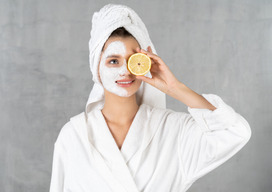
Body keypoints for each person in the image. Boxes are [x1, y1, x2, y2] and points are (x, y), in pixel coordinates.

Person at [49, 4, 251, 192]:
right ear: (97, 68)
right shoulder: (74, 136)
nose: (125, 71)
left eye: (133, 61)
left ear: (145, 62)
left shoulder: (173, 131)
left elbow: (235, 131)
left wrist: (174, 87)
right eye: (113, 61)